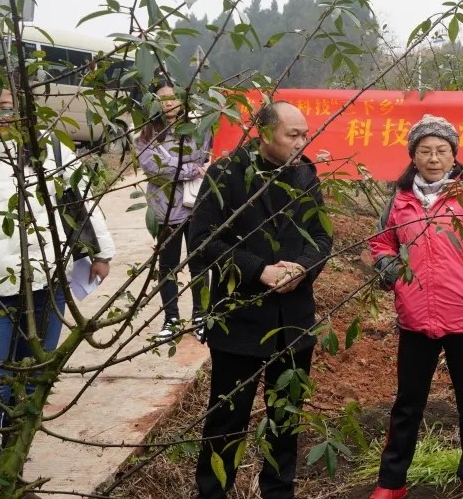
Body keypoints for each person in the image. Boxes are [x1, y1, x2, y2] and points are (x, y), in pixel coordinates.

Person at [0, 73, 115, 499]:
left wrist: (100, 251)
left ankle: (10, 478)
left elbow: (79, 200)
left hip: (46, 285)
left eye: (8, 105)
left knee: (31, 385)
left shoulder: (49, 150)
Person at [367, 114, 463, 499]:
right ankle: (391, 483)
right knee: (407, 405)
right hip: (415, 318)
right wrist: (395, 275)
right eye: (426, 151)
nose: (434, 158)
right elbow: (382, 243)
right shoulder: (400, 198)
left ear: (454, 155)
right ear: (413, 156)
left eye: (442, 150)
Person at [187, 101, 332, 499]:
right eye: (294, 135)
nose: (303, 143)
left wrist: (300, 269)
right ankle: (213, 492)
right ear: (266, 134)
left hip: (293, 320)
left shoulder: (303, 173)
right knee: (226, 421)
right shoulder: (227, 173)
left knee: (285, 420)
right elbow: (202, 240)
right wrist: (258, 270)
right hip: (240, 318)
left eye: (305, 134)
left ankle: (279, 491)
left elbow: (322, 238)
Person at [135, 83, 210, 341]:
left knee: (199, 262)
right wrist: (189, 169)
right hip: (165, 209)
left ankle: (201, 316)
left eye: (173, 98)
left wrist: (180, 165)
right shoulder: (146, 134)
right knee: (167, 265)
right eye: (161, 99)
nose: (168, 104)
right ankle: (171, 319)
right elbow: (152, 167)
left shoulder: (197, 129)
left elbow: (202, 155)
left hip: (195, 206)